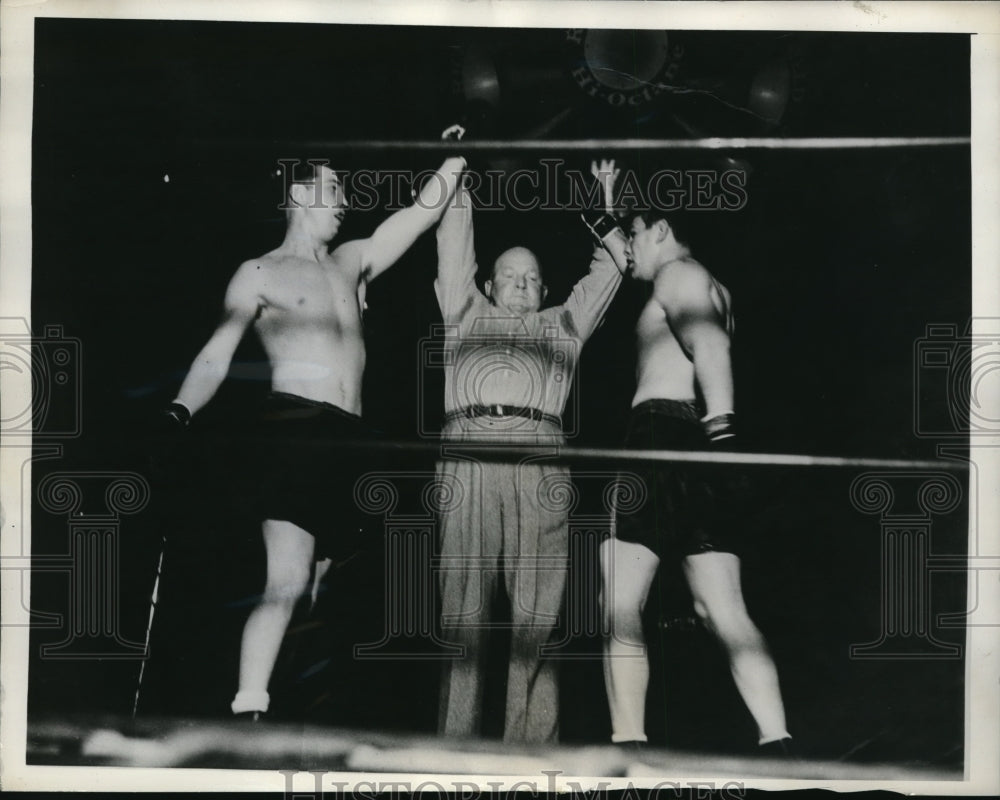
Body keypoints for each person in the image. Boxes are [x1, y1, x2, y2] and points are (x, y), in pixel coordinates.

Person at [162, 127, 467, 719]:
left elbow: (415, 218)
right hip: (295, 430)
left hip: (353, 440)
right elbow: (216, 353)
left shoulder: (352, 261)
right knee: (288, 575)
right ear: (299, 196)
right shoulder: (260, 271)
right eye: (334, 189)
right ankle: (248, 709)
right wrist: (179, 411)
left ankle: (291, 711)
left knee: (322, 594)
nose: (345, 200)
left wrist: (454, 161)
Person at [434, 160, 627, 743]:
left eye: (532, 277)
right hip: (467, 448)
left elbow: (615, 263)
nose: (520, 284)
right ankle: (450, 748)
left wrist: (606, 195)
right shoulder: (463, 311)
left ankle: (531, 751)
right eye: (509, 275)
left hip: (541, 453)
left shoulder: (563, 324)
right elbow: (454, 245)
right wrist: (460, 176)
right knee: (461, 608)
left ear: (545, 289)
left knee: (538, 612)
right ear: (489, 285)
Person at [599, 207, 793, 755]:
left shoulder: (675, 274)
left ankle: (628, 747)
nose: (629, 246)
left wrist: (723, 427)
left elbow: (710, 345)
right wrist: (607, 209)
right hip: (697, 449)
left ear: (661, 230)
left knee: (618, 597)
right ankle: (777, 742)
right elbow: (629, 258)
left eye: (636, 233)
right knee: (721, 609)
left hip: (661, 434)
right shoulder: (700, 279)